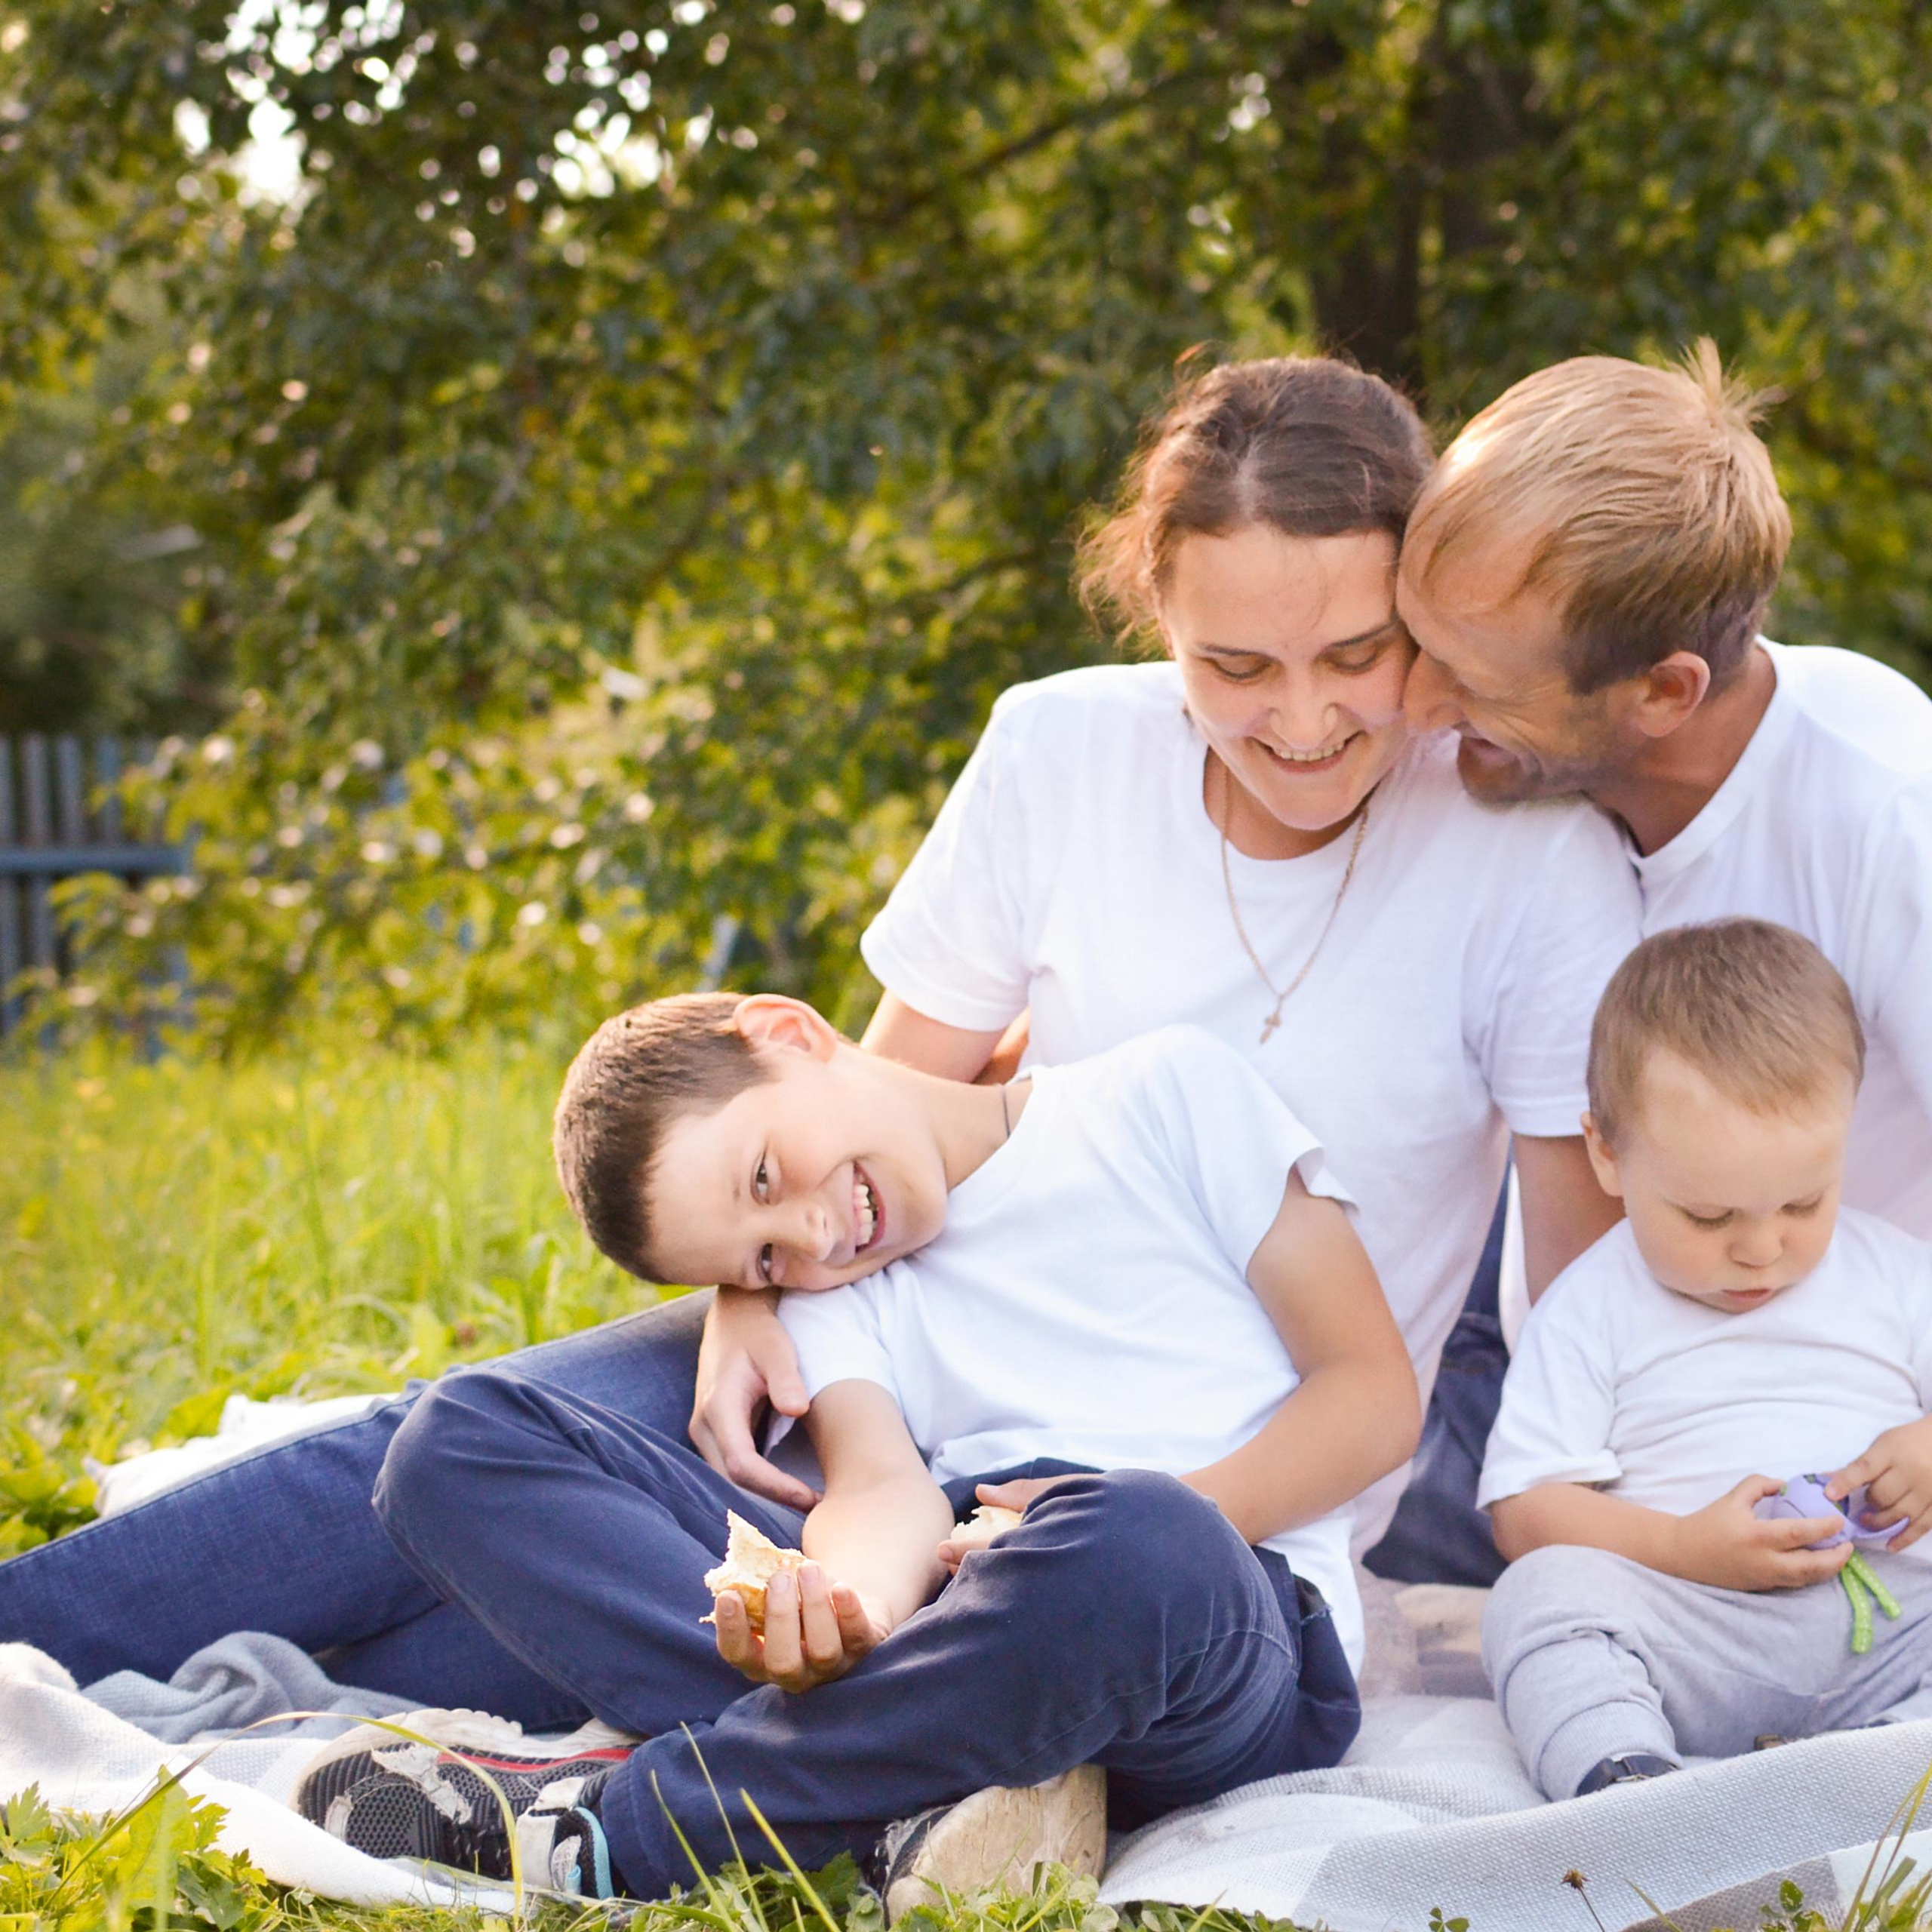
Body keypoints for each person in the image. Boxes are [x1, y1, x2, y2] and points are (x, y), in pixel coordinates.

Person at [0, 353, 1635, 1698]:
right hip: (891, 1340)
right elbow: (874, 1084)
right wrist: (746, 1293)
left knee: (477, 1618)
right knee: (436, 1454)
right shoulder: (1061, 751)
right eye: (1232, 665)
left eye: (1355, 655)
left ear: (1424, 610)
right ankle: (34, 1643)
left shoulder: (1523, 858)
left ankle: (875, 1708)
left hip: (1180, 1478)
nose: (1298, 718)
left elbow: (1563, 1295)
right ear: (1153, 622)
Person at [296, 989, 1419, 1903]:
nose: (817, 1238)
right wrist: (846, 1620)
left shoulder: (1166, 1095)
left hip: (1210, 1612)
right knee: (455, 1441)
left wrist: (1090, 1528)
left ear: (790, 1034)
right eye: (766, 1260)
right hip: (959, 1613)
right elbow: (882, 1490)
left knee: (1138, 1540)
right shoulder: (846, 1297)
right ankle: (906, 1788)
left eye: (767, 1179)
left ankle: (626, 1829)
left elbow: (1371, 1396)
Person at [1398, 340, 1932, 1239]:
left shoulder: (1889, 814)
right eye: (1411, 643)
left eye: (1473, 682)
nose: (1416, 709)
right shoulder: (1537, 783)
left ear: (1662, 692)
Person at [1479, 921, 1932, 1803]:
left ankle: (1888, 1769)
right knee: (1537, 1596)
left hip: (1894, 1625)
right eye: (1707, 1217)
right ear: (1606, 1153)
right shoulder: (1588, 1305)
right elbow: (1524, 1509)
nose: (1760, 1249)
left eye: (1803, 1201)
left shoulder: (1900, 1274)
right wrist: (1683, 1547)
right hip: (1693, 1631)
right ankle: (1631, 1787)